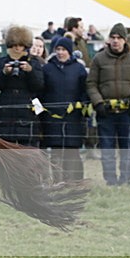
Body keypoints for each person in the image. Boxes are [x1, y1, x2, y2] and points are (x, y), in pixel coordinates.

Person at [86, 23, 130, 186]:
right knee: (107, 149)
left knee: (126, 148)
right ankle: (110, 180)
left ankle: (125, 179)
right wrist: (98, 102)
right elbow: (91, 83)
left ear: (124, 40)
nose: (115, 41)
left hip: (127, 111)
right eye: (113, 37)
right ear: (109, 39)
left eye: (119, 38)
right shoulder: (99, 59)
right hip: (106, 112)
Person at [39, 37, 89, 182]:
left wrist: (82, 107)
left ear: (69, 51)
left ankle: (75, 182)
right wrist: (41, 113)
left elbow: (84, 91)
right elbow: (40, 93)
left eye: (63, 50)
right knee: (55, 153)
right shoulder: (47, 68)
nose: (60, 53)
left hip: (73, 118)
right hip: (52, 118)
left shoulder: (79, 69)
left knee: (72, 153)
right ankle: (57, 182)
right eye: (58, 50)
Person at [0, 25, 45, 147]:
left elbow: (39, 86)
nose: (17, 48)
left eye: (20, 45)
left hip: (26, 109)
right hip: (6, 109)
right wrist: (4, 73)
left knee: (27, 147)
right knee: (5, 147)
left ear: (25, 46)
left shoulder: (33, 62)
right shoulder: (3, 61)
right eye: (14, 45)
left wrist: (30, 71)